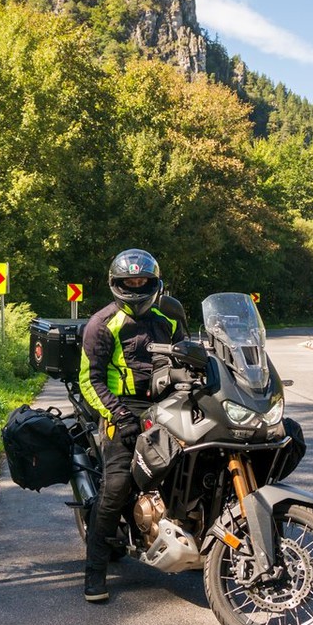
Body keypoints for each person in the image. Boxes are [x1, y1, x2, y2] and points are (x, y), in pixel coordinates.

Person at [78, 248, 185, 603]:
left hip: (167, 402)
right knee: (117, 487)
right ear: (116, 284)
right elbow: (89, 380)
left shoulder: (169, 316)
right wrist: (120, 415)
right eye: (129, 282)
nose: (136, 287)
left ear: (155, 283)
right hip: (122, 407)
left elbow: (188, 354)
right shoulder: (101, 323)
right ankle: (94, 572)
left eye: (143, 281)